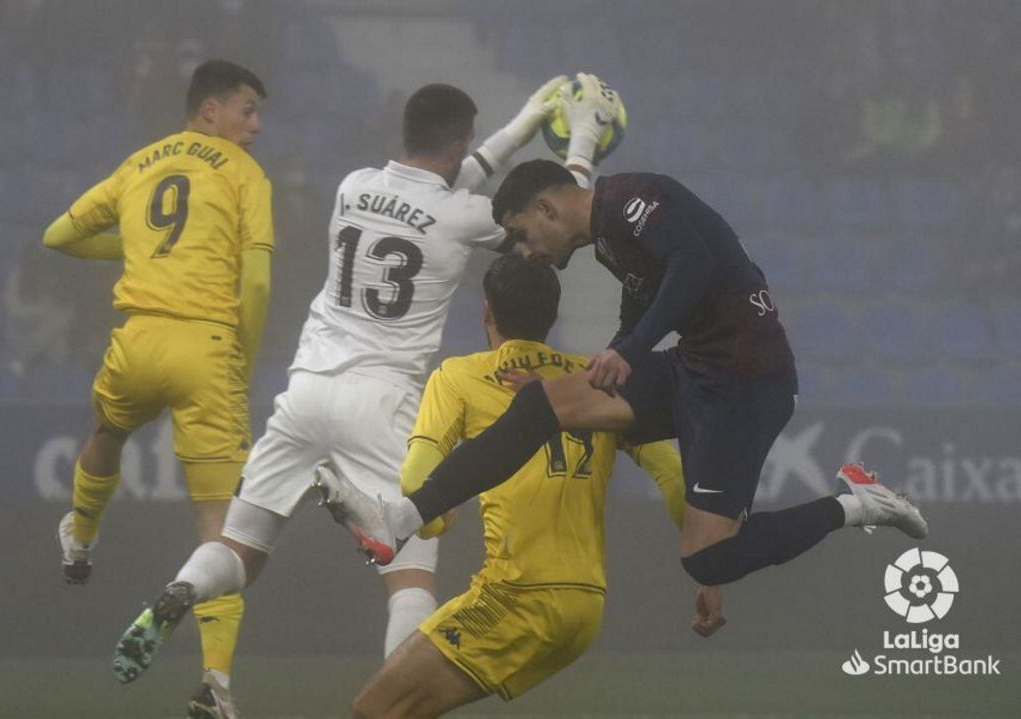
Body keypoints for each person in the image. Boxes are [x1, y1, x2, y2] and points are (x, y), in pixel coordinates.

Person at [111, 75, 622, 684]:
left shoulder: (353, 186)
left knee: (240, 546)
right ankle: (397, 695)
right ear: (459, 141)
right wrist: (579, 146)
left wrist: (521, 125)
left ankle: (181, 588)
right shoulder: (463, 216)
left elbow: (443, 184)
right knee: (410, 577)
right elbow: (555, 228)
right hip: (381, 402)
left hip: (306, 389)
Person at [319, 158, 930, 599]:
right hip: (695, 368)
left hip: (745, 388)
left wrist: (631, 350)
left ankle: (856, 506)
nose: (527, 252)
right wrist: (616, 351)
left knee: (710, 559)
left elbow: (693, 263)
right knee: (540, 409)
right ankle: (398, 521)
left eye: (525, 235)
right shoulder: (608, 239)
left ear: (547, 208)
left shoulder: (635, 201)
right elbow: (647, 297)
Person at [324, 253, 702, 719]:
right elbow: (677, 479)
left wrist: (436, 519)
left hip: (519, 594)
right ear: (552, 316)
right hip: (586, 603)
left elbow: (414, 479)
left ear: (487, 311)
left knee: (374, 710)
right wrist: (708, 567)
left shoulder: (460, 376)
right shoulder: (594, 379)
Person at [46, 59, 272, 719]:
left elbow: (58, 236)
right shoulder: (243, 173)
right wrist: (243, 361)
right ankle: (214, 685)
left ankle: (81, 539)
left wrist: (139, 250)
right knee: (222, 531)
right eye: (247, 110)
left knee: (106, 432)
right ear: (211, 111)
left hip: (137, 339)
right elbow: (255, 283)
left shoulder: (140, 162)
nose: (255, 126)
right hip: (205, 347)